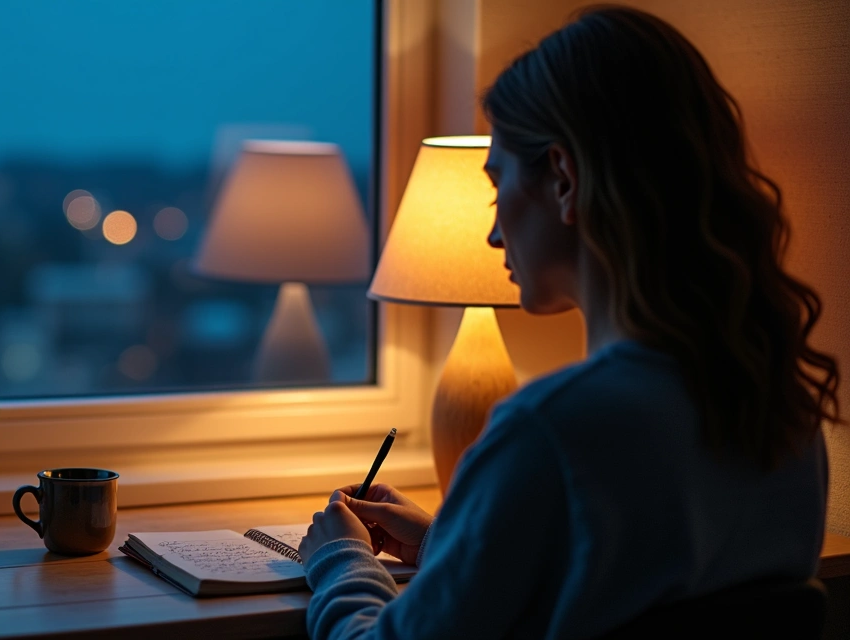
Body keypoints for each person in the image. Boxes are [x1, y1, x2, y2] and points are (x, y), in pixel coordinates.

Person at [297, 5, 841, 639]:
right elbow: (625, 579)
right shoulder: (784, 414)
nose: (495, 232)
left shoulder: (552, 431)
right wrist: (451, 540)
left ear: (562, 178)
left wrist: (340, 561)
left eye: (498, 187)